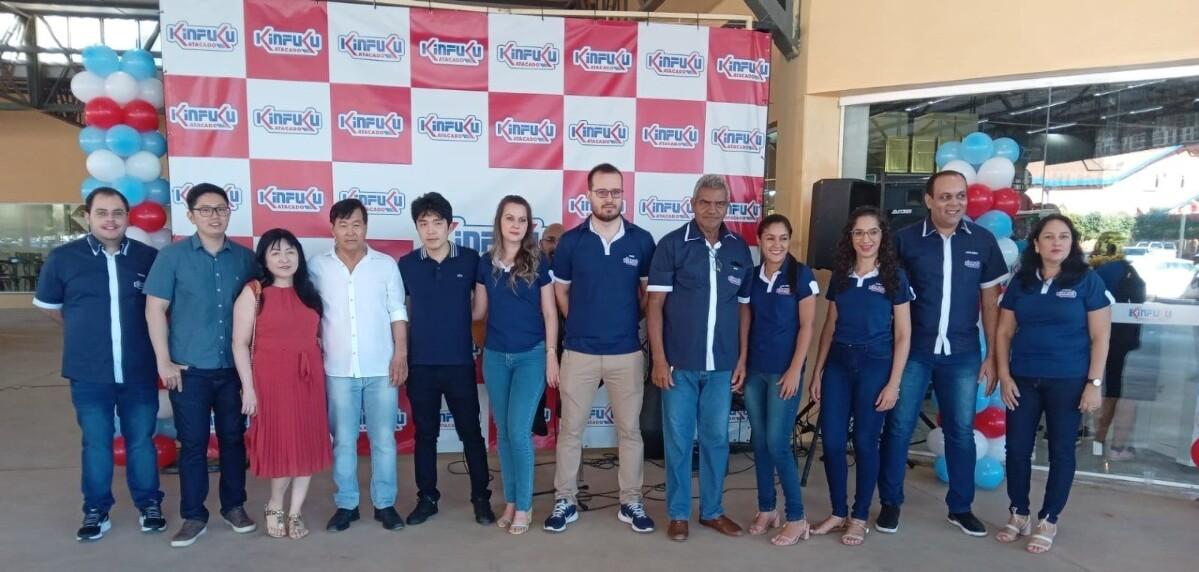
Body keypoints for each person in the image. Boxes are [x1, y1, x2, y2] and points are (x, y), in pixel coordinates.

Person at [877, 170, 1008, 537]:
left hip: (963, 353)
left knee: (961, 431)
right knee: (899, 427)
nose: (955, 203)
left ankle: (960, 507)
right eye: (946, 196)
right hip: (914, 351)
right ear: (929, 200)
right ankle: (890, 502)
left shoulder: (982, 241)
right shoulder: (904, 241)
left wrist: (992, 355)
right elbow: (888, 298)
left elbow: (990, 303)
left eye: (960, 195)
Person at [34, 187, 166, 542]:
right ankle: (96, 510)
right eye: (102, 212)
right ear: (88, 216)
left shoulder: (148, 258)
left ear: (127, 217)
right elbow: (51, 308)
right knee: (96, 443)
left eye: (118, 213)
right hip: (89, 372)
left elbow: (161, 309)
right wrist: (86, 330)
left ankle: (149, 505)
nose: (110, 220)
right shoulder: (63, 259)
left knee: (141, 441)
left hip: (139, 369)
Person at [544, 163, 657, 534]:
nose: (609, 199)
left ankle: (631, 502)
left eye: (616, 192)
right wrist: (581, 322)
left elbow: (647, 296)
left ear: (623, 194)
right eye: (602, 192)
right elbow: (561, 292)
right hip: (579, 351)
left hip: (626, 351)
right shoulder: (571, 243)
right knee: (570, 432)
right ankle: (565, 500)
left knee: (630, 432)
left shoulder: (642, 241)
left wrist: (625, 320)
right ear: (588, 195)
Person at [145, 183, 259, 547]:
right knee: (192, 444)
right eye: (205, 209)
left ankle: (234, 507)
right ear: (191, 215)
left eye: (221, 208)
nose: (214, 215)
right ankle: (193, 516)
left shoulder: (245, 259)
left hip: (233, 370)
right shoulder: (172, 257)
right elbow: (155, 309)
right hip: (189, 370)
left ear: (229, 212)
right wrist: (163, 361)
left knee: (233, 441)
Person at [991, 214, 1111, 554]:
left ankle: (1048, 519)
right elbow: (1004, 332)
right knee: (1016, 449)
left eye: (1063, 236)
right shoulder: (1022, 281)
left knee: (1061, 451)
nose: (1056, 242)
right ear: (1036, 243)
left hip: (1068, 382)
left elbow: (1101, 336)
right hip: (1023, 380)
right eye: (1048, 236)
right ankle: (1019, 514)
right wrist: (1004, 375)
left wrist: (1094, 383)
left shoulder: (1087, 281)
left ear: (1072, 243)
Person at [647, 174, 754, 542]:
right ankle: (678, 514)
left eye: (719, 203)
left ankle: (712, 511)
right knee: (678, 442)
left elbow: (743, 307)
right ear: (692, 204)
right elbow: (654, 305)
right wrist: (658, 359)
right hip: (679, 366)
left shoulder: (739, 249)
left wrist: (742, 358)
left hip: (722, 367)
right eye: (705, 202)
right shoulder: (672, 245)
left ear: (727, 207)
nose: (712, 209)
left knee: (716, 441)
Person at [809, 207, 912, 546]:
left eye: (872, 232)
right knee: (832, 442)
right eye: (858, 232)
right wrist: (818, 371)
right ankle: (838, 512)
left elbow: (903, 334)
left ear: (882, 236)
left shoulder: (894, 276)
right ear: (850, 237)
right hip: (839, 364)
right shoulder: (841, 275)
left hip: (875, 364)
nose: (865, 239)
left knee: (866, 442)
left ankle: (859, 516)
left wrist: (894, 383)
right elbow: (830, 326)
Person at [310, 199, 410, 533]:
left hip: (381, 367)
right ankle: (346, 504)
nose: (350, 231)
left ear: (366, 227)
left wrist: (400, 353)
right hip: (338, 369)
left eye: (357, 224)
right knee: (343, 441)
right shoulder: (317, 266)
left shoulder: (385, 265)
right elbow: (308, 312)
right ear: (332, 228)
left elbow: (397, 311)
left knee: (383, 440)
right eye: (343, 225)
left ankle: (385, 504)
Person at [397, 192, 494, 526]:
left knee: (471, 434)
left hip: (459, 363)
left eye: (437, 222)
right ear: (417, 227)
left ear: (450, 226)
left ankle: (481, 499)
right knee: (425, 435)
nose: (430, 230)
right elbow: (401, 313)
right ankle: (427, 499)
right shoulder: (407, 264)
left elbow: (480, 310)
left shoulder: (470, 260)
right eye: (423, 223)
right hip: (421, 365)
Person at [230, 228, 331, 539]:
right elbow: (239, 343)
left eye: (290, 251)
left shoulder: (309, 293)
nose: (284, 258)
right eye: (275, 252)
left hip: (309, 381)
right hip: (271, 381)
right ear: (264, 259)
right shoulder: (254, 292)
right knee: (283, 446)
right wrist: (248, 388)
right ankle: (275, 504)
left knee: (306, 446)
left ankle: (295, 511)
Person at [473, 195, 559, 535]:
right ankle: (511, 501)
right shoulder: (485, 263)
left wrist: (551, 355)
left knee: (519, 431)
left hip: (531, 356)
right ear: (500, 221)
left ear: (529, 226)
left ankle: (524, 505)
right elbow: (479, 312)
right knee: (505, 434)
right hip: (495, 356)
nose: (515, 225)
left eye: (522, 220)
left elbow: (550, 313)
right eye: (510, 218)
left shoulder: (539, 262)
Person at [738, 213, 818, 546]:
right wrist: (742, 361)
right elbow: (746, 320)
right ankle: (767, 508)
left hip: (784, 373)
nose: (777, 245)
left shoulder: (801, 275)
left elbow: (807, 326)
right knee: (759, 442)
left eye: (783, 238)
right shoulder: (751, 276)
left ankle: (796, 517)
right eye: (770, 238)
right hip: (755, 371)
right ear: (759, 240)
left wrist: (795, 369)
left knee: (777, 443)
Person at [1089, 233, 1147, 461]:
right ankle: (1105, 442)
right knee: (1113, 388)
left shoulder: (1091, 272)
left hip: (1090, 337)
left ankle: (1082, 435)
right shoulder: (1127, 271)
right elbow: (1139, 301)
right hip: (1120, 338)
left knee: (1087, 383)